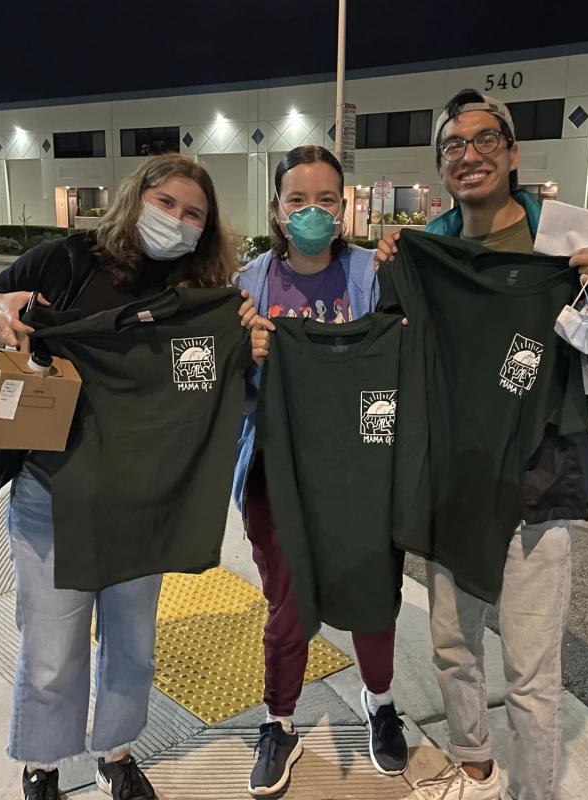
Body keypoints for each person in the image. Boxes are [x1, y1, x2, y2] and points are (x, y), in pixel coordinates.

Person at [376, 90, 588, 800]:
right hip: (452, 481)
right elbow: (388, 355)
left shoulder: (565, 244)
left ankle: (531, 792)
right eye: (454, 145)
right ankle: (473, 760)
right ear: (440, 166)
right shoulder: (431, 250)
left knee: (532, 672)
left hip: (538, 480)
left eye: (486, 140)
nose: (470, 155)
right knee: (453, 644)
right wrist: (391, 274)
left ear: (512, 154)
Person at [0, 154, 258, 800]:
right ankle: (42, 763)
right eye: (166, 202)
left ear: (206, 230)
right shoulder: (66, 262)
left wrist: (249, 343)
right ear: (136, 197)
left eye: (194, 214)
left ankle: (115, 754)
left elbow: (224, 388)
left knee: (132, 646)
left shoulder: (199, 301)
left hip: (144, 500)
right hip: (52, 491)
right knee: (51, 649)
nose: (177, 220)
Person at [236, 144, 409, 796]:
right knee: (288, 600)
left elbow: (405, 354)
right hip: (275, 468)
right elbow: (217, 384)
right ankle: (279, 721)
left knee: (371, 591)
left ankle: (380, 702)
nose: (313, 211)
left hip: (361, 466)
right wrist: (243, 352)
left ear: (344, 207)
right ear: (277, 210)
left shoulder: (371, 272)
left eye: (326, 199)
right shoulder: (249, 283)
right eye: (298, 199)